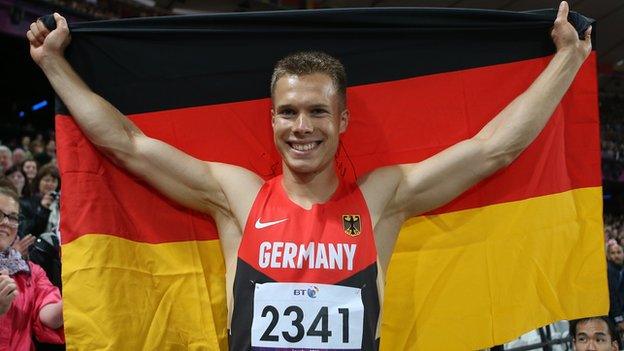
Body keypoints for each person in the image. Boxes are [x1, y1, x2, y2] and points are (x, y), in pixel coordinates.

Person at [27, 2, 592, 350]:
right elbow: (127, 144)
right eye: (289, 112)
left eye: (318, 111)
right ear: (271, 119)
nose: (303, 127)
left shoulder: (382, 198)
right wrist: (54, 63)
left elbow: (492, 150)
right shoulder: (237, 196)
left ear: (342, 120)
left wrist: (567, 60)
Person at [0, 186, 64, 350]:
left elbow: (48, 316)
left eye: (13, 217)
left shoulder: (31, 272)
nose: (6, 223)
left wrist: (76, 294)